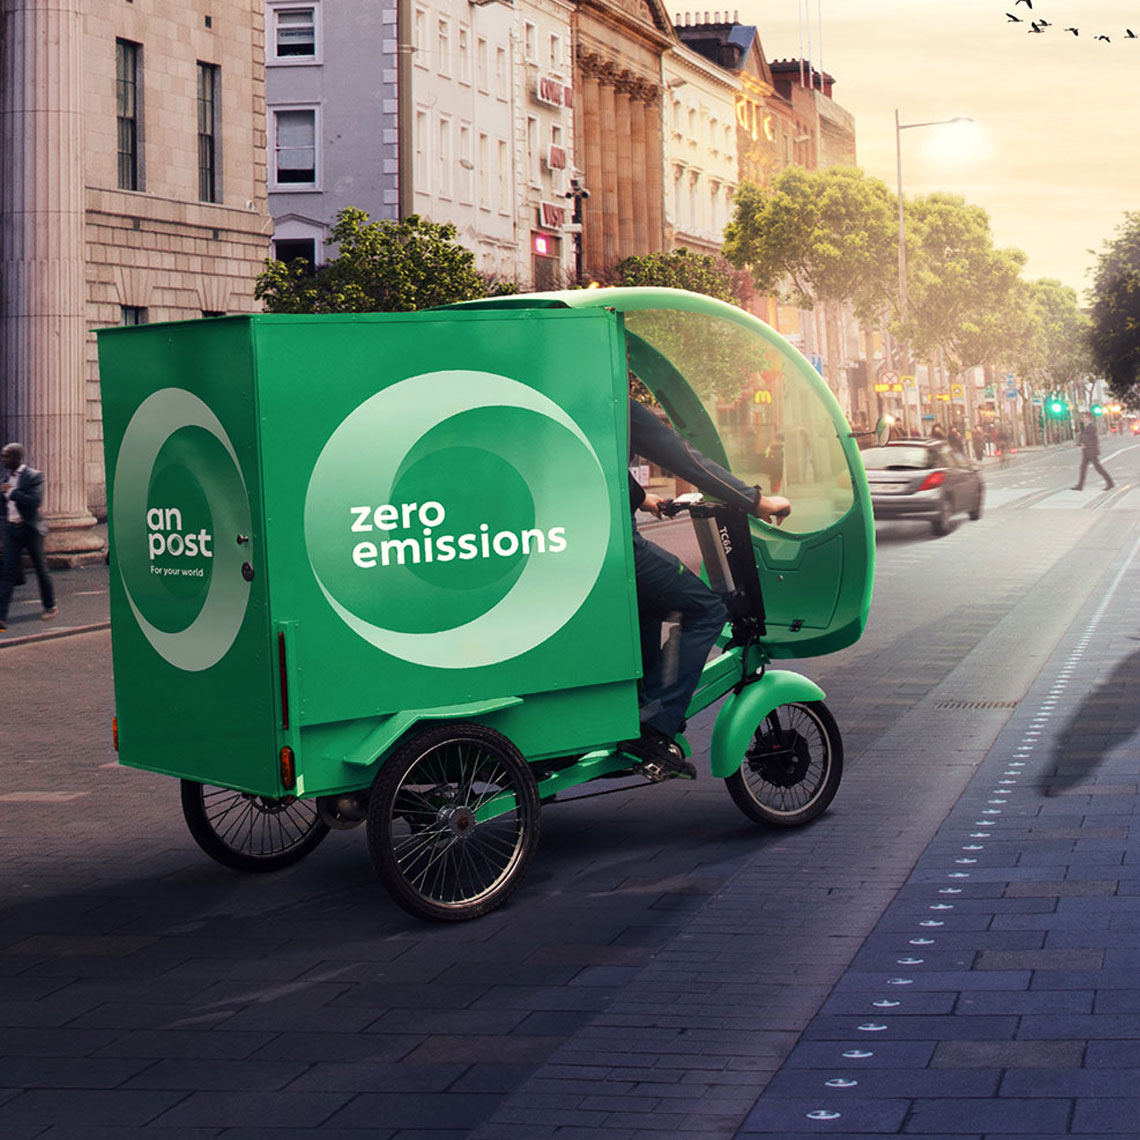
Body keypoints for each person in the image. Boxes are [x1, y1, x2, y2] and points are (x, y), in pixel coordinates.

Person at [622, 399, 791, 781]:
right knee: (708, 610)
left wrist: (642, 498)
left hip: (589, 538)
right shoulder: (613, 392)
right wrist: (755, 501)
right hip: (618, 545)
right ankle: (655, 726)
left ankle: (641, 712)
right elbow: (683, 457)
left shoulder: (579, 388)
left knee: (651, 604)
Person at [0, 443, 57, 634]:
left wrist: (11, 492)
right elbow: (4, 508)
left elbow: (35, 501)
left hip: (31, 529)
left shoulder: (33, 476)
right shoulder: (5, 478)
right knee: (7, 573)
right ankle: (1, 617)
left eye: (6, 456)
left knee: (41, 569)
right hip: (11, 530)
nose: (3, 459)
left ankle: (50, 605)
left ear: (17, 458)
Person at [1072, 418, 1114, 491]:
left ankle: (1110, 483)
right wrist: (1080, 443)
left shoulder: (1091, 428)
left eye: (1085, 418)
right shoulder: (1087, 428)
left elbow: (1089, 439)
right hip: (1087, 451)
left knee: (1098, 468)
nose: (1083, 419)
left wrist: (1083, 444)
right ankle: (1080, 485)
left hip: (1091, 451)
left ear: (1089, 419)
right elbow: (1085, 438)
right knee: (1083, 468)